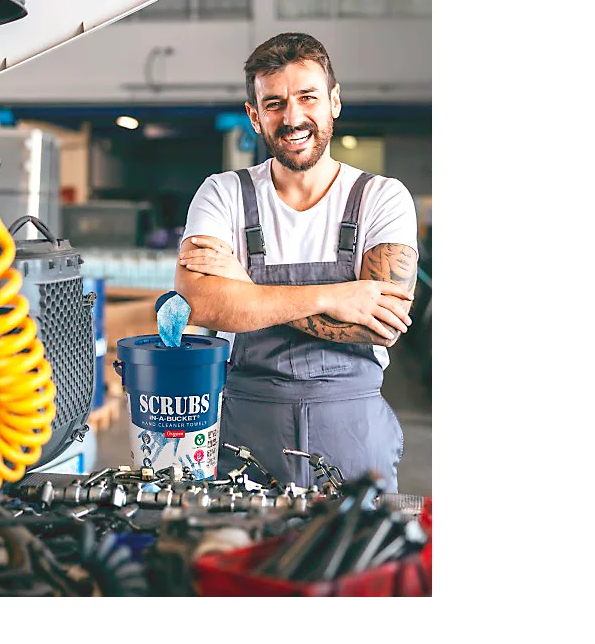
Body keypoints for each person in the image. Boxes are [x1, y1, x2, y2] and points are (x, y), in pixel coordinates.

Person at [173, 32, 419, 493]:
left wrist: (245, 291)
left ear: (334, 102)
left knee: (355, 558)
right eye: (274, 103)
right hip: (246, 431)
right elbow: (201, 304)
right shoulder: (223, 193)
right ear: (253, 115)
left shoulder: (381, 198)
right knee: (247, 556)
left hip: (353, 432)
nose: (293, 118)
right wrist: (336, 295)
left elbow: (381, 324)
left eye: (308, 97)